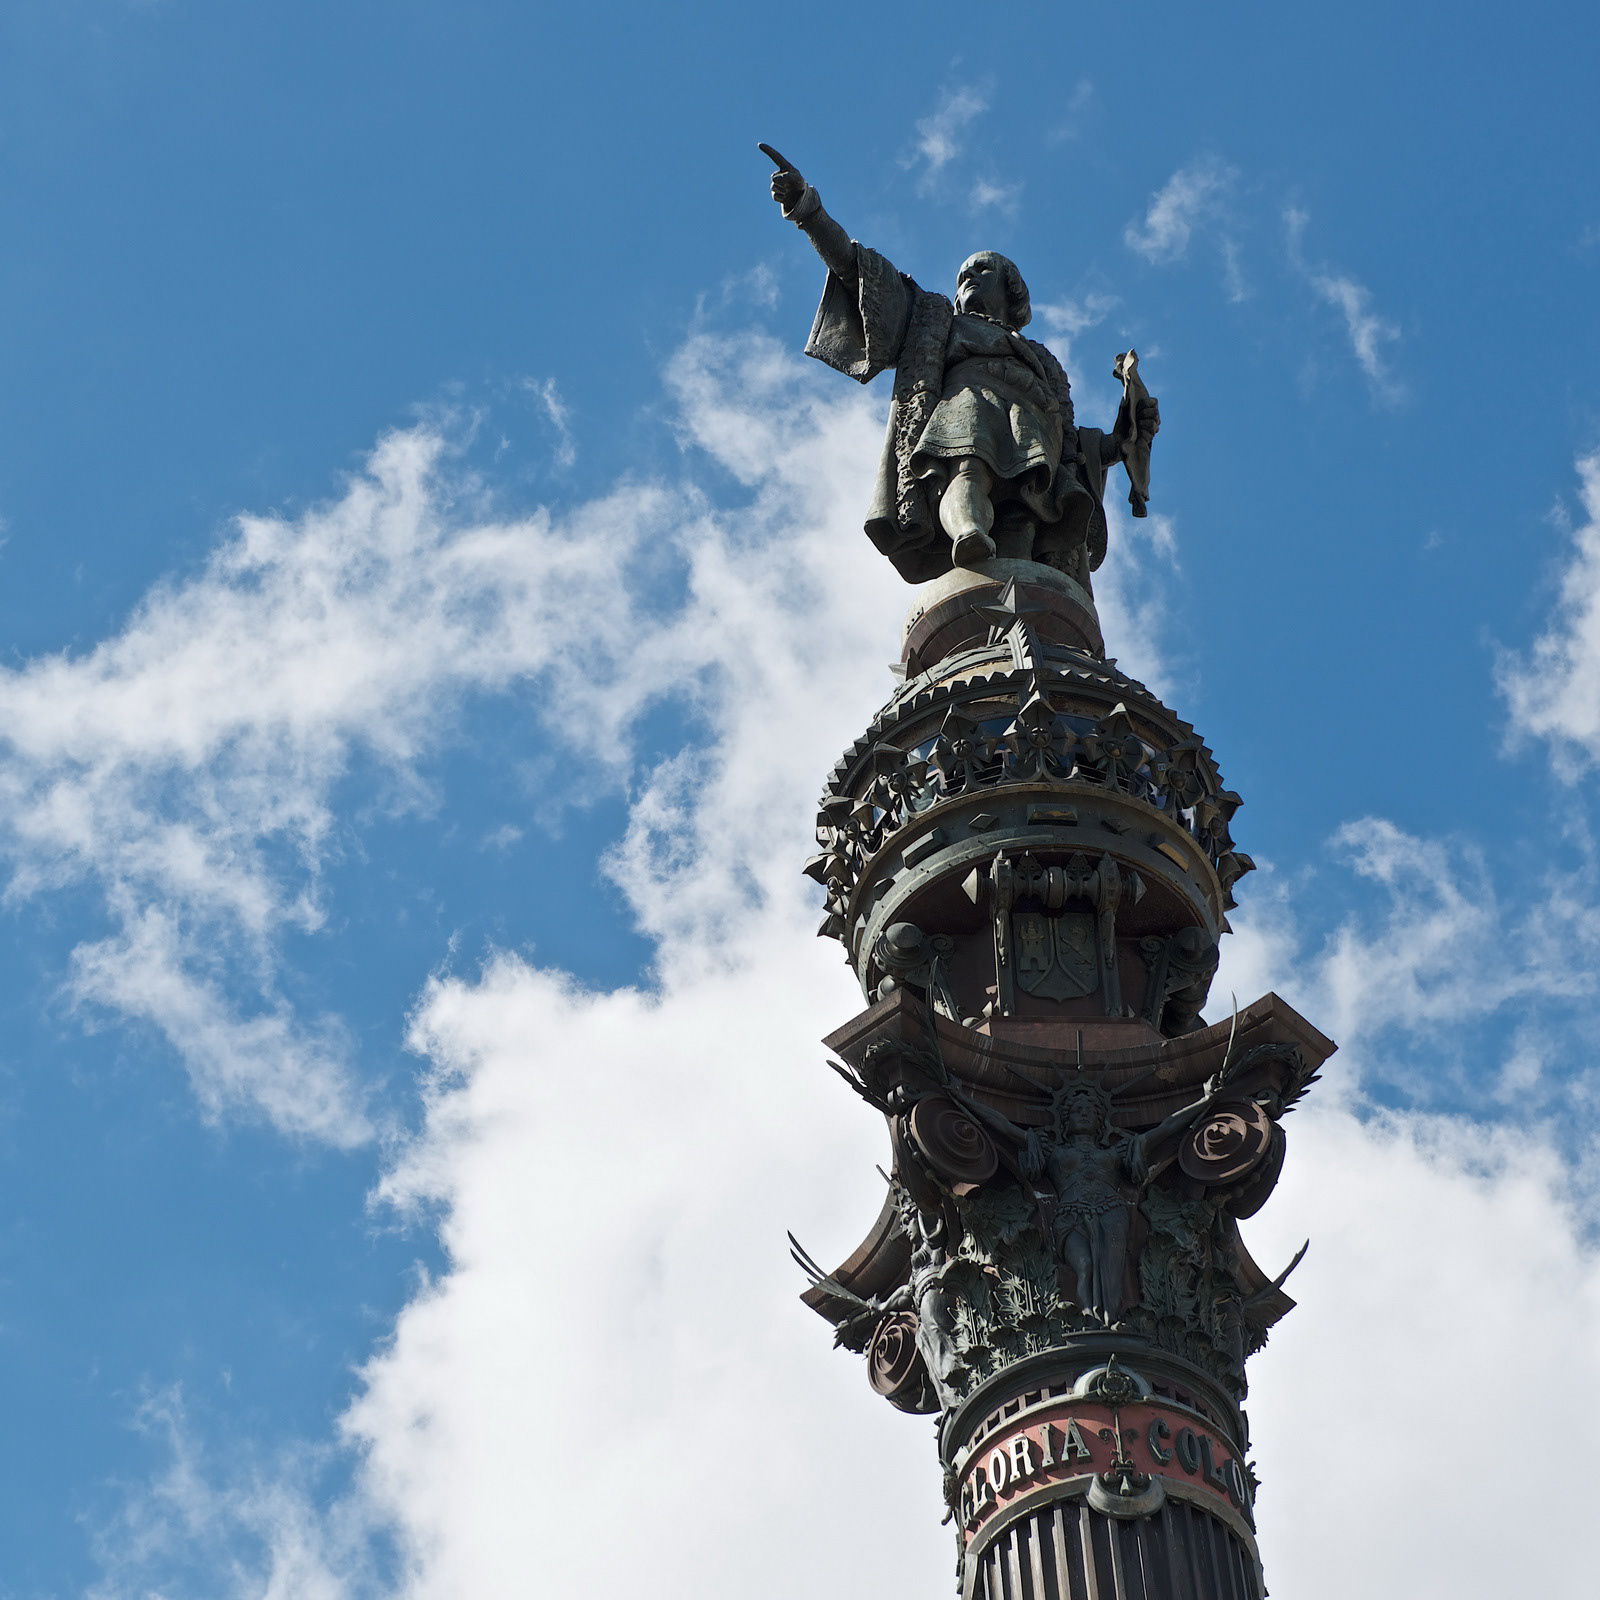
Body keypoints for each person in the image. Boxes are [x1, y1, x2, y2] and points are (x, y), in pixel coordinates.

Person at [766, 153, 1160, 585]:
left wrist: (1122, 438)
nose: (968, 277)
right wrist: (809, 211)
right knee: (968, 469)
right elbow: (859, 272)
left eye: (981, 269)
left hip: (1033, 424)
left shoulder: (1042, 359)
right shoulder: (936, 320)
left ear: (1011, 288)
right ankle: (968, 533)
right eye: (962, 276)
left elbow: (1074, 449)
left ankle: (1014, 584)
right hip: (968, 405)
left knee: (1028, 509)